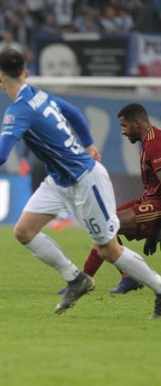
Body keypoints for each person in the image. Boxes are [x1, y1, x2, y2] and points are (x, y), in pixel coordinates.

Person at [0, 48, 161, 319]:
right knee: (24, 231)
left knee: (109, 250)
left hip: (83, 180)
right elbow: (75, 113)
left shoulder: (18, 111)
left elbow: (0, 154)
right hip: (58, 180)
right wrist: (88, 143)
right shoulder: (39, 94)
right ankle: (75, 278)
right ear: (26, 73)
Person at [66, 103, 161, 295]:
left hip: (157, 205)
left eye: (124, 126)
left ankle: (86, 280)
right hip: (149, 200)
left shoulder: (156, 143)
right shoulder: (148, 142)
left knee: (108, 224)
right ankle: (126, 277)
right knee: (106, 219)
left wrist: (156, 229)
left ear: (136, 123)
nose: (123, 132)